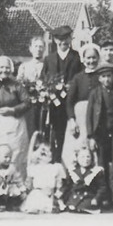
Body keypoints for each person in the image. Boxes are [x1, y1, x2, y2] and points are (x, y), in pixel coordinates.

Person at [43, 25, 83, 162]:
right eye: (60, 39)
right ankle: (57, 161)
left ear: (70, 39)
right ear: (55, 40)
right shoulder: (49, 59)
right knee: (56, 134)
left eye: (66, 38)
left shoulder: (77, 57)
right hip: (55, 105)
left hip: (72, 102)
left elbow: (81, 77)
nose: (63, 42)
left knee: (73, 133)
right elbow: (44, 79)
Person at [0, 56, 30, 177]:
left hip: (15, 124)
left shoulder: (17, 85)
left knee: (16, 152)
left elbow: (27, 102)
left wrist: (13, 110)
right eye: (1, 67)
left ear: (11, 69)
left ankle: (16, 179)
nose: (4, 70)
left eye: (7, 67)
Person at [63, 44, 104, 166]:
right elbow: (69, 101)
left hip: (96, 116)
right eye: (88, 58)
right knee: (77, 145)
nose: (91, 61)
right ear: (83, 59)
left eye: (94, 57)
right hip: (80, 118)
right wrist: (72, 120)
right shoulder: (78, 78)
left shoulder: (101, 76)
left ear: (98, 58)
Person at [86, 65, 113, 169]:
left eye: (109, 76)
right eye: (104, 76)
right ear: (99, 79)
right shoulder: (95, 93)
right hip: (101, 132)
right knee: (102, 159)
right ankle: (103, 179)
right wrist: (91, 136)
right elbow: (89, 115)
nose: (107, 79)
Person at [22, 134, 67, 214]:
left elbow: (60, 183)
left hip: (50, 193)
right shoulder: (34, 168)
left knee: (50, 204)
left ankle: (47, 207)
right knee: (35, 198)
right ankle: (36, 208)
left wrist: (58, 192)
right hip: (37, 192)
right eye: (42, 152)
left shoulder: (55, 167)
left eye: (49, 151)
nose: (45, 152)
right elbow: (29, 184)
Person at [63, 144, 108, 213]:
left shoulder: (96, 171)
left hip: (89, 200)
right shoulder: (72, 170)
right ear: (77, 158)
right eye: (82, 157)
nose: (86, 159)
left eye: (88, 156)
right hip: (73, 200)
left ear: (92, 158)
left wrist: (96, 199)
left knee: (84, 210)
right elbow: (67, 186)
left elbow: (102, 187)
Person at [0, 144, 26, 211]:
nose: (8, 159)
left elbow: (18, 179)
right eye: (6, 157)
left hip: (8, 188)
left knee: (15, 192)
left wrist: (22, 190)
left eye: (10, 157)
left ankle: (11, 204)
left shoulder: (12, 168)